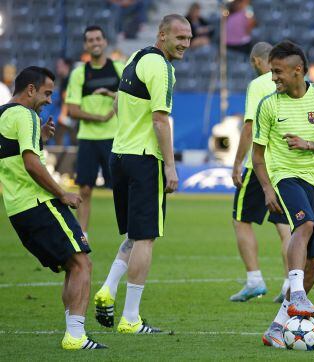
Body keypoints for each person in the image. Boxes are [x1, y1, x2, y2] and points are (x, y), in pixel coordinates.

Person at [93, 14, 191, 334]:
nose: (185, 44)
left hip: (119, 156)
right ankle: (131, 318)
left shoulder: (136, 57)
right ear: (162, 36)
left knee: (134, 235)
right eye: (179, 38)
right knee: (146, 238)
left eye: (188, 38)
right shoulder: (162, 68)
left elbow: (121, 104)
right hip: (144, 160)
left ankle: (107, 290)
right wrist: (170, 165)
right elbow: (160, 120)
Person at [0, 66, 106, 349]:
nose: (49, 100)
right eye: (47, 93)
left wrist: (40, 140)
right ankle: (74, 335)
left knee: (73, 264)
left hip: (17, 210)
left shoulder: (3, 115)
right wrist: (63, 193)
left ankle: (74, 333)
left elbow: (10, 157)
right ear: (31, 89)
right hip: (39, 203)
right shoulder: (27, 115)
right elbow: (31, 164)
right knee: (82, 263)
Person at [252, 41, 314, 348]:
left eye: (278, 72)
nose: (273, 77)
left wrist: (309, 145)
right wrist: (267, 188)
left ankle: (277, 328)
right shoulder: (268, 105)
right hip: (285, 178)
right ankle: (298, 295)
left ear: (298, 71)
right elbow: (258, 155)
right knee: (304, 225)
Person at [230, 42, 291, 303]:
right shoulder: (292, 80)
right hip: (286, 164)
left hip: (259, 164)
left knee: (241, 220)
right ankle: (291, 282)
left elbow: (249, 127)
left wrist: (236, 163)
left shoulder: (258, 84)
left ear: (256, 61)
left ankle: (254, 280)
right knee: (284, 226)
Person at [66, 26, 124, 240]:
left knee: (120, 187)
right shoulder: (79, 73)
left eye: (98, 38)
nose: (95, 43)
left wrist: (110, 94)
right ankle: (83, 235)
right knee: (85, 190)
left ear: (105, 41)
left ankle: (129, 232)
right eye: (90, 40)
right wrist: (101, 117)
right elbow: (72, 109)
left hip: (115, 138)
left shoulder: (119, 68)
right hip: (88, 138)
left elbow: (129, 97)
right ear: (86, 45)